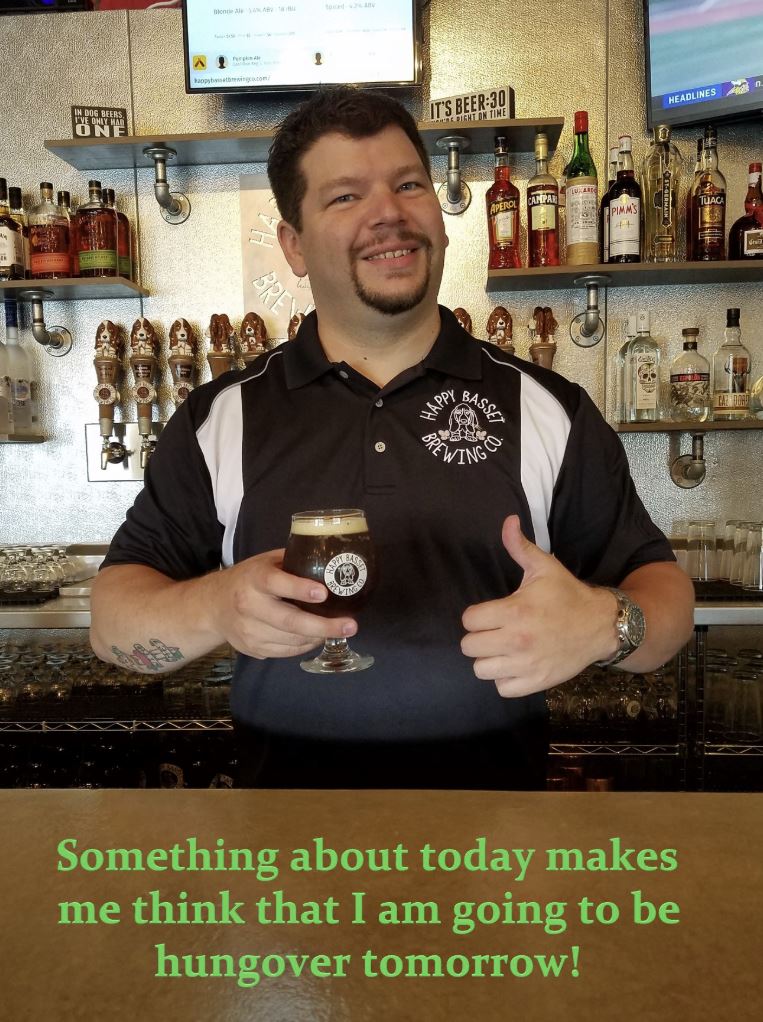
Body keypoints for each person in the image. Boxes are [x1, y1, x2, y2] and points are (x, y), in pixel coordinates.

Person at [90, 87, 694, 790]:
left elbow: (667, 602)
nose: (387, 213)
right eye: (344, 197)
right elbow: (111, 624)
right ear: (293, 244)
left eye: (408, 185)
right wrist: (216, 605)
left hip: (497, 853)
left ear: (436, 218)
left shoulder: (546, 407)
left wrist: (604, 624)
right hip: (287, 856)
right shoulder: (218, 417)